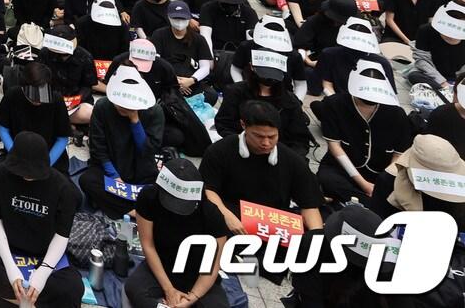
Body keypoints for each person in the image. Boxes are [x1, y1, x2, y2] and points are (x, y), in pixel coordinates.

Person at [199, 100, 324, 297]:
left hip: (270, 223)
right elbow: (208, 190)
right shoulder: (219, 151)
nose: (266, 143)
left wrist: (316, 238)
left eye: (272, 137)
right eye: (258, 136)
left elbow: (309, 204)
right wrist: (227, 216)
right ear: (243, 126)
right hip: (232, 217)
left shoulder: (292, 161)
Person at [0, 131, 84, 307]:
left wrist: (43, 272)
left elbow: (62, 235)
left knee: (72, 288)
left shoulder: (63, 188)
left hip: (42, 251)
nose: (27, 176)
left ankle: (5, 302)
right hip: (7, 244)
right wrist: (11, 268)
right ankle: (29, 303)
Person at [124, 157, 231, 308]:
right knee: (135, 290)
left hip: (196, 274)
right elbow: (148, 245)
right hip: (162, 266)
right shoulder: (149, 198)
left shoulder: (212, 215)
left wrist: (191, 298)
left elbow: (212, 268)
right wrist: (169, 290)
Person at [316, 60, 412, 204]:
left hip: (381, 173)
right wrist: (364, 185)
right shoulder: (335, 104)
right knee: (327, 179)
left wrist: (383, 182)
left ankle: (360, 201)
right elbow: (335, 147)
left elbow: (398, 155)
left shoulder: (397, 114)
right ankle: (369, 202)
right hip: (341, 169)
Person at [80, 65, 164, 217]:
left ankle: (118, 205)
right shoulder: (103, 107)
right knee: (87, 180)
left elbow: (148, 151)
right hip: (112, 167)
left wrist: (135, 120)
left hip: (141, 170)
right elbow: (98, 148)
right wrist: (114, 176)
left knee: (159, 190)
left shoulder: (154, 111)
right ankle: (132, 211)